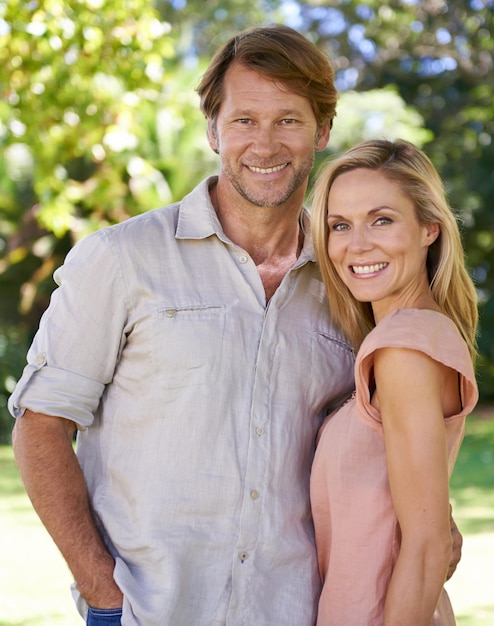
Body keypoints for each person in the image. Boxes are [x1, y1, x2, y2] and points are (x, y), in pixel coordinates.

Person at [8, 27, 461, 626]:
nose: (265, 143)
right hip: (152, 612)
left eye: (289, 121)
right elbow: (41, 427)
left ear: (322, 131)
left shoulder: (350, 285)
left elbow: (396, 449)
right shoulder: (121, 259)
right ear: (213, 129)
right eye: (244, 119)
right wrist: (105, 598)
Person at [309, 138, 479, 625]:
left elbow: (427, 549)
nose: (357, 244)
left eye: (381, 219)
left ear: (429, 228)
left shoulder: (404, 348)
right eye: (340, 225)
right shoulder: (416, 336)